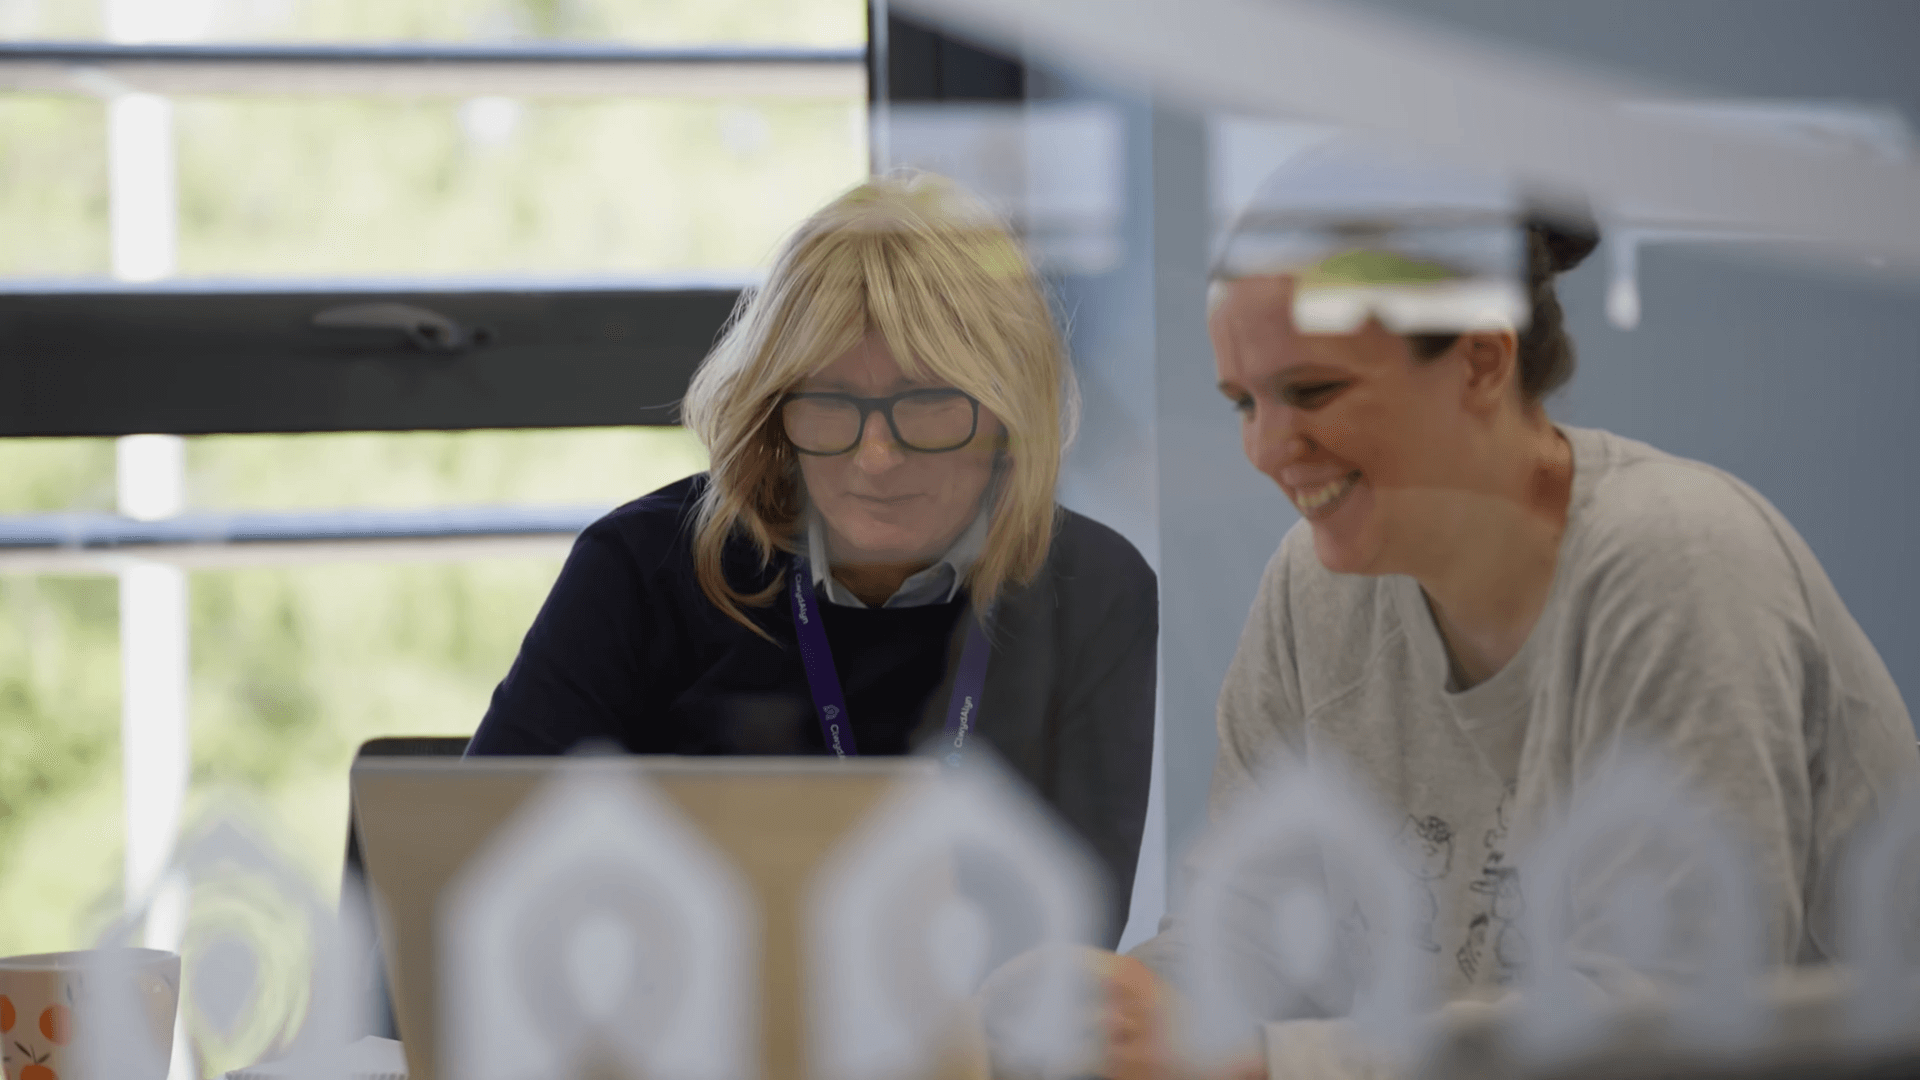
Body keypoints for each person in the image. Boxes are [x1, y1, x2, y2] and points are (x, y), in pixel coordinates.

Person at [1094, 148, 1920, 1078]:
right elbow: (1248, 940)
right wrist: (1127, 1009)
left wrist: (1261, 1062)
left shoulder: (1679, 560)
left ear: (1482, 360)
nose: (1266, 447)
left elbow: (1665, 1032)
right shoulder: (1312, 591)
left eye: (1312, 391)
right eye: (1243, 402)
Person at [467, 171, 1159, 944]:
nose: (876, 457)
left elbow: (1073, 942)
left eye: (926, 400)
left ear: (1007, 416)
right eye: (830, 402)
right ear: (773, 410)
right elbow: (479, 892)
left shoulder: (1092, 590)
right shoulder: (641, 569)